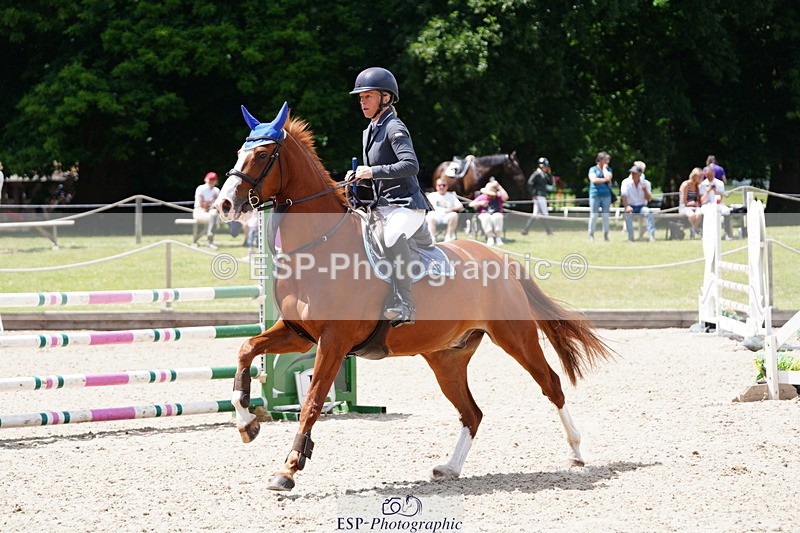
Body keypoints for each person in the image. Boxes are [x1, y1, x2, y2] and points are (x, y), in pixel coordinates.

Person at [347, 67, 431, 327]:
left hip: (407, 205)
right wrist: (358, 178)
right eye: (360, 98)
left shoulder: (394, 126)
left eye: (368, 96)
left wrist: (371, 171)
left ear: (385, 97)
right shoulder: (371, 129)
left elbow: (410, 165)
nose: (362, 102)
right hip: (384, 206)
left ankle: (405, 303)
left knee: (391, 235)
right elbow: (378, 176)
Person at [620, 164, 656, 242]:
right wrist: (627, 206)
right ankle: (631, 237)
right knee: (627, 215)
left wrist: (645, 190)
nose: (632, 174)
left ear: (640, 174)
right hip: (631, 205)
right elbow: (624, 196)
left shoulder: (646, 183)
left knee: (648, 213)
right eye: (631, 173)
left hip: (641, 206)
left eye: (634, 173)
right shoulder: (626, 182)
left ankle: (651, 236)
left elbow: (649, 199)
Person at [469, 179, 508, 246]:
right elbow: (471, 204)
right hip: (484, 213)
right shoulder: (482, 197)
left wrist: (499, 187)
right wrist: (480, 203)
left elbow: (506, 197)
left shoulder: (498, 197)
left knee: (497, 217)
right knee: (486, 217)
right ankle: (490, 237)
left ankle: (498, 237)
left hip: (496, 212)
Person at [521, 157, 554, 236]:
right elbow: (530, 183)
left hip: (542, 196)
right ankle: (549, 231)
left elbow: (550, 182)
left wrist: (549, 173)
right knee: (544, 214)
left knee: (536, 214)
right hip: (539, 196)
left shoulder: (543, 175)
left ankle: (525, 230)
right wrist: (532, 194)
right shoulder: (536, 174)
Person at [699, 165, 734, 239]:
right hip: (707, 204)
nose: (709, 177)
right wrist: (707, 191)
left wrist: (715, 191)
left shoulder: (719, 183)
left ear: (714, 174)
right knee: (703, 211)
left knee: (726, 211)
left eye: (711, 175)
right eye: (708, 175)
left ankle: (727, 233)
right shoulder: (703, 184)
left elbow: (721, 197)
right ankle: (704, 233)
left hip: (718, 203)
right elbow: (702, 200)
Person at [587, 151, 613, 241]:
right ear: (601, 160)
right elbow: (594, 180)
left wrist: (605, 170)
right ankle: (591, 234)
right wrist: (605, 179)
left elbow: (609, 178)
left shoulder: (608, 170)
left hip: (606, 195)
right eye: (606, 160)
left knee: (605, 216)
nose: (608, 162)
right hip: (595, 194)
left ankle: (606, 234)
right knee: (594, 215)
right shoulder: (592, 169)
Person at [193, 171, 220, 249]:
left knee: (214, 215)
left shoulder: (217, 190)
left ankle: (197, 240)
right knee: (214, 217)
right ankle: (209, 241)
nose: (211, 181)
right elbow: (203, 205)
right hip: (199, 211)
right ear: (206, 179)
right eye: (210, 179)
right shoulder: (200, 188)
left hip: (210, 212)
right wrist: (212, 199)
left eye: (213, 179)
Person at [679, 167, 704, 238]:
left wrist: (698, 203)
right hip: (685, 207)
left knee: (699, 213)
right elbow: (684, 201)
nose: (701, 178)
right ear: (694, 176)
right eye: (699, 176)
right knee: (692, 216)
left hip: (695, 207)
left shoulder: (697, 186)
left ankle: (693, 230)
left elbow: (698, 200)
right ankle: (695, 230)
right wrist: (693, 203)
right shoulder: (685, 185)